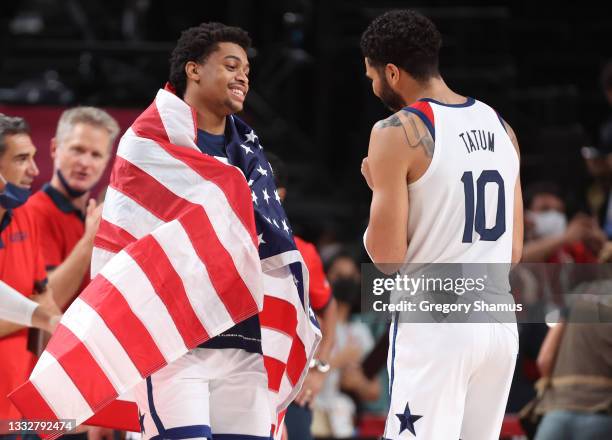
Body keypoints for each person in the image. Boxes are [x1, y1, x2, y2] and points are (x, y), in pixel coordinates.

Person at [359, 10, 522, 439]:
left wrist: (378, 192)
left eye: (372, 75)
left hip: (436, 322)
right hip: (499, 320)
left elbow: (388, 259)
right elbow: (514, 252)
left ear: (391, 72)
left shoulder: (396, 131)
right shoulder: (501, 127)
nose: (373, 87)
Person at [266, 152, 338, 439]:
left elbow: (328, 308)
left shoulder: (302, 253)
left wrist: (319, 369)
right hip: (234, 384)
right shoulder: (220, 244)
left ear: (279, 195)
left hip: (289, 389)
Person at [26, 107, 118, 310]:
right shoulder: (32, 213)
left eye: (96, 155)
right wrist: (90, 239)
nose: (85, 163)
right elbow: (46, 304)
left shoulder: (93, 217)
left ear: (106, 163)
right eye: (77, 150)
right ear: (54, 149)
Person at [0, 114, 53, 426]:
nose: (34, 170)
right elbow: (42, 309)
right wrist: (33, 313)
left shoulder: (26, 217)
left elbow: (45, 299)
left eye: (33, 158)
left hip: (21, 412)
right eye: (22, 159)